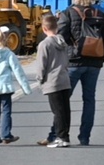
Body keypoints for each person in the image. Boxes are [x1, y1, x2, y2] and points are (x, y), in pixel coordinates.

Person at [39, 0, 104, 147]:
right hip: (94, 62)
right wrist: (100, 55)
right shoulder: (101, 15)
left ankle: (56, 134)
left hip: (73, 62)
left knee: (62, 102)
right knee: (89, 100)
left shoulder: (68, 13)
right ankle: (85, 136)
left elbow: (61, 38)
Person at [35, 14, 71, 148]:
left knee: (57, 111)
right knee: (65, 110)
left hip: (52, 81)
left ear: (44, 28)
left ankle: (60, 137)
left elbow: (41, 65)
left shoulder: (45, 44)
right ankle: (65, 135)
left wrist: (40, 79)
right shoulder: (62, 41)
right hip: (64, 78)